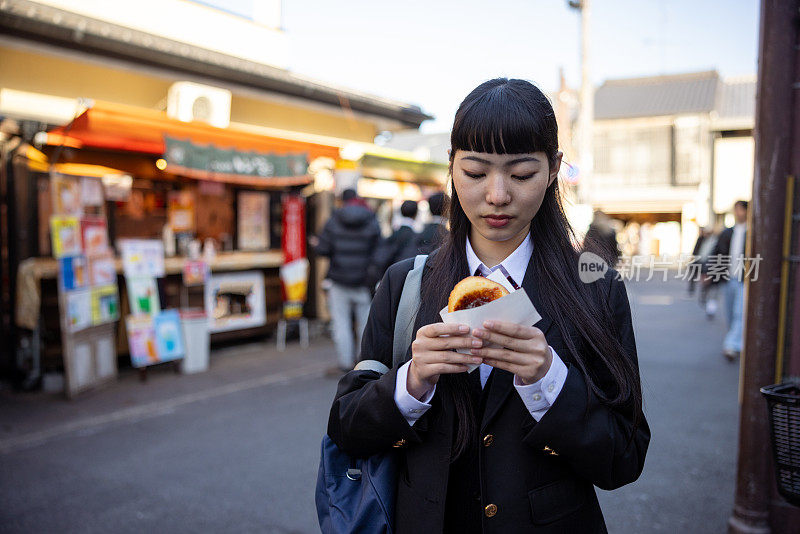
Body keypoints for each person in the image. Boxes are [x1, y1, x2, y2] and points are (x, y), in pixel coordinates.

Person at [327, 78, 649, 533]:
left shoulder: (595, 290)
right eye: (476, 173)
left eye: (521, 174)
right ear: (452, 166)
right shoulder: (406, 285)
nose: (497, 195)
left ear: (554, 168)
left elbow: (625, 457)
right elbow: (346, 426)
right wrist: (412, 381)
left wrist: (550, 380)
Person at [313, 188, 381, 373]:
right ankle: (364, 364)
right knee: (365, 324)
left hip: (339, 279)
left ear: (342, 200)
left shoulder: (334, 220)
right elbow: (379, 250)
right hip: (363, 281)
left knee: (341, 323)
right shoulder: (371, 219)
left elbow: (322, 250)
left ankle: (344, 363)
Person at [710, 200, 748, 361]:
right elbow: (717, 253)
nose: (738, 213)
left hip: (744, 279)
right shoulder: (728, 232)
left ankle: (731, 345)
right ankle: (737, 341)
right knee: (730, 313)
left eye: (741, 210)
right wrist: (710, 274)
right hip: (728, 278)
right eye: (736, 210)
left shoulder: (752, 232)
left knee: (740, 312)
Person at [367, 200, 421, 288]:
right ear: (416, 214)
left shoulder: (392, 235)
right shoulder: (417, 238)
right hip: (407, 283)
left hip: (389, 280)